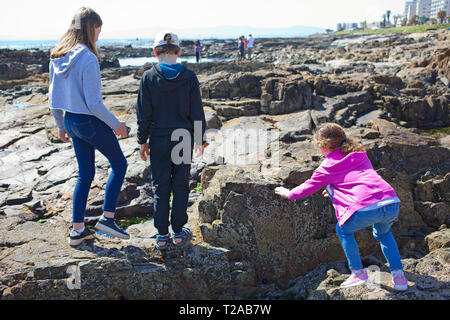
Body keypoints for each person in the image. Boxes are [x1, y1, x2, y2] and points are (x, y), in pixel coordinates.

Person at [274, 123, 408, 291]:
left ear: (323, 146)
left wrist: (289, 193)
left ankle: (358, 273)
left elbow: (306, 188)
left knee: (343, 230)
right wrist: (334, 190)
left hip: (365, 209)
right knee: (384, 234)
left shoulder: (326, 167)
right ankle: (400, 279)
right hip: (390, 202)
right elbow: (358, 181)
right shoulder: (359, 154)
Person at [49, 7, 130, 246]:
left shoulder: (57, 56)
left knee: (85, 175)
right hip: (88, 121)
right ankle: (107, 218)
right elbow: (94, 103)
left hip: (72, 122)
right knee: (120, 164)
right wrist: (117, 125)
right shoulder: (88, 58)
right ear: (90, 28)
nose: (99, 35)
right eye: (98, 30)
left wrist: (61, 125)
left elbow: (53, 99)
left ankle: (78, 230)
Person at [136, 31, 207, 250]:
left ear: (155, 52)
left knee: (161, 186)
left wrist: (142, 140)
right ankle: (178, 232)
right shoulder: (189, 76)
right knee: (181, 184)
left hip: (158, 138)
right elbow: (197, 111)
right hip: (183, 138)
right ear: (178, 51)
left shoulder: (148, 77)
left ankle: (161, 234)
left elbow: (143, 113)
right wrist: (200, 139)